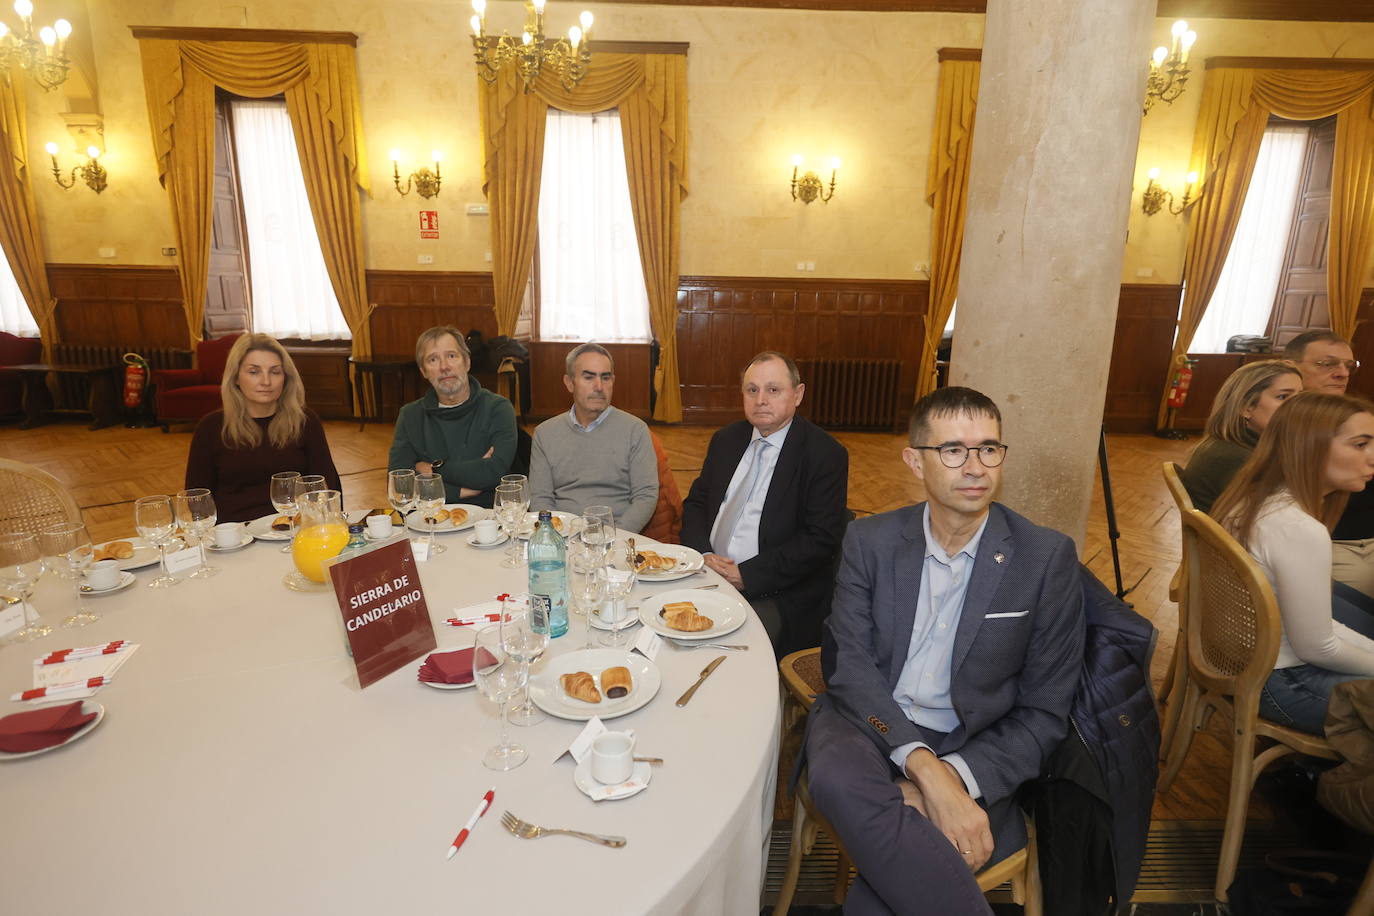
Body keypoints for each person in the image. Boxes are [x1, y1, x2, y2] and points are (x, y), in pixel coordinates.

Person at [805, 386, 1085, 915]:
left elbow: (1045, 711)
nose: (975, 466)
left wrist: (952, 774)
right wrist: (927, 772)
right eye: (953, 450)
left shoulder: (1044, 558)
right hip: (870, 718)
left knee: (878, 901)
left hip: (969, 737)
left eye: (989, 448)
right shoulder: (870, 540)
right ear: (916, 461)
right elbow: (849, 666)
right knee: (835, 776)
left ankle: (905, 811)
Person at [1210, 391, 1374, 735]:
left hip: (1249, 663)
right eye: (1360, 445)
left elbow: (1320, 631)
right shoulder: (1297, 527)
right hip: (1282, 683)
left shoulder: (1254, 498)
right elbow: (1317, 646)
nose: (1371, 457)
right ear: (1310, 446)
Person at [680, 351, 849, 656]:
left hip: (775, 592)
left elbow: (821, 539)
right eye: (752, 390)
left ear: (797, 395)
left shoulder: (824, 454)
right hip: (706, 572)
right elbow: (695, 503)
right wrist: (704, 553)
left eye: (773, 390)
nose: (761, 400)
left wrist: (748, 575)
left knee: (720, 651)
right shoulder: (726, 440)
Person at [185, 333, 341, 522]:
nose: (266, 381)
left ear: (285, 378)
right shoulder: (211, 428)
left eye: (275, 372)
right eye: (254, 372)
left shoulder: (305, 421)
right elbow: (197, 499)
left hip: (295, 527)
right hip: (235, 535)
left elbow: (325, 487)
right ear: (235, 377)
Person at [528, 343, 658, 533]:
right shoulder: (545, 433)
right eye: (589, 377)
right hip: (563, 536)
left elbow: (646, 496)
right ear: (569, 383)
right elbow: (541, 498)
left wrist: (615, 537)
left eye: (605, 378)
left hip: (617, 535)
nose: (599, 387)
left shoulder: (635, 430)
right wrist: (556, 537)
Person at [1283, 331, 1374, 600]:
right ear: (1291, 367)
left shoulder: (1354, 415)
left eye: (1348, 366)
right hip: (1331, 546)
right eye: (1327, 364)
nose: (1342, 374)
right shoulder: (1281, 428)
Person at [388, 326, 517, 509]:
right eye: (433, 359)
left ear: (467, 362)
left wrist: (434, 469)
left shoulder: (498, 408)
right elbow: (400, 485)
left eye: (451, 356)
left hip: (488, 516)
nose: (444, 367)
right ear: (423, 371)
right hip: (430, 517)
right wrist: (459, 492)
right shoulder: (410, 415)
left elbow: (493, 474)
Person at [1180, 360, 1301, 513]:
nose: (1299, 406)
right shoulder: (1235, 458)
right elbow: (1278, 518)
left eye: (1300, 397)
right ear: (1246, 407)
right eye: (1283, 397)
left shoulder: (1231, 444)